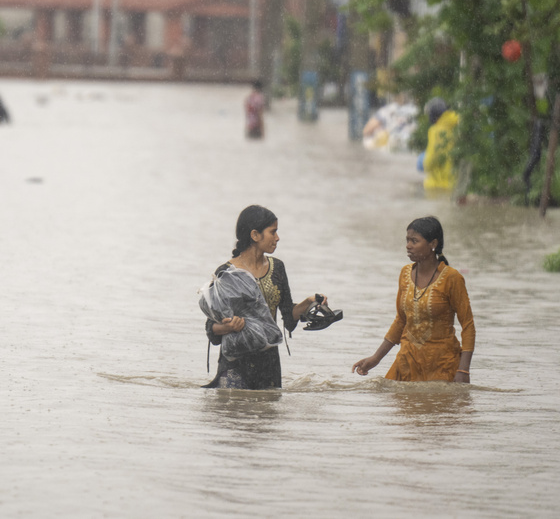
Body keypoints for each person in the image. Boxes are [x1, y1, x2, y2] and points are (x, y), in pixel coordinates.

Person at [201, 205, 323, 389]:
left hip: (269, 364)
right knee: (231, 416)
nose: (277, 238)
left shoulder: (277, 269)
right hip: (234, 363)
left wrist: (310, 302)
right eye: (273, 232)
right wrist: (226, 327)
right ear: (255, 235)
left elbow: (288, 317)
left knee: (267, 417)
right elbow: (211, 328)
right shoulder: (227, 273)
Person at [352, 216, 475, 383]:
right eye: (407, 240)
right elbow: (400, 320)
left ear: (433, 244)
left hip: (441, 364)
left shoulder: (452, 278)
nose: (408, 246)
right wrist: (376, 358)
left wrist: (463, 369)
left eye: (414, 241)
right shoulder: (405, 273)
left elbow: (467, 325)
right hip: (407, 361)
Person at [422, 97, 459, 191]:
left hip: (438, 184)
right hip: (455, 182)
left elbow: (433, 155)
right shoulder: (457, 124)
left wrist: (425, 165)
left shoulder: (436, 130)